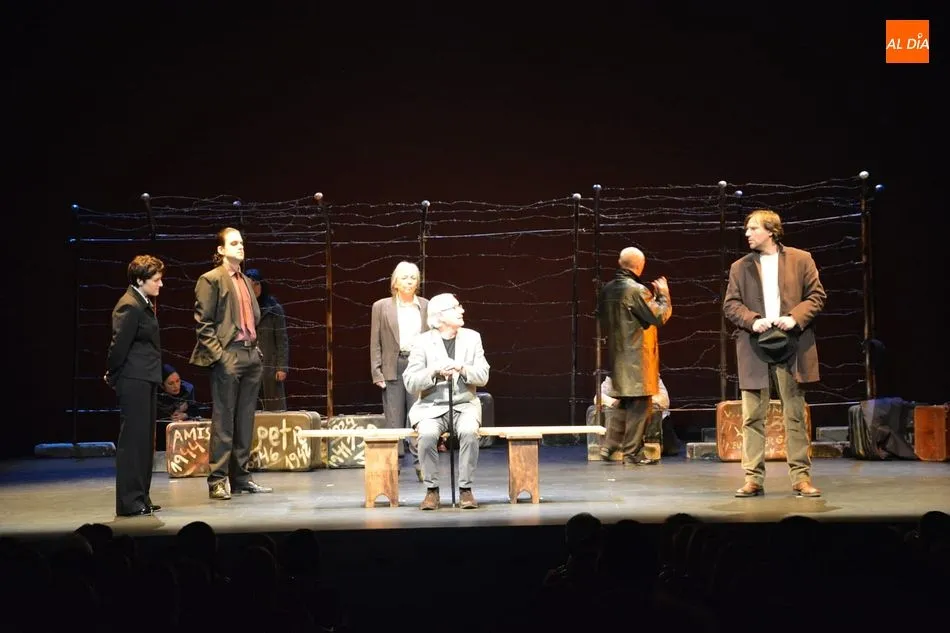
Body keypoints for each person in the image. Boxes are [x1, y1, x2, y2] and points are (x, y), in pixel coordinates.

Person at [723, 209, 826, 498]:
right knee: (752, 417)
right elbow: (730, 305)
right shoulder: (739, 267)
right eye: (747, 229)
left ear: (771, 231)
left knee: (794, 414)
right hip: (755, 347)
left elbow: (816, 296)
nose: (747, 233)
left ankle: (800, 477)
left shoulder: (801, 259)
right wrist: (752, 320)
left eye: (753, 228)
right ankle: (753, 478)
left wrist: (794, 318)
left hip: (791, 345)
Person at [190, 227, 271, 500]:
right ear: (221, 249)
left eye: (242, 243)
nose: (240, 247)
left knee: (245, 420)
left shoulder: (246, 280)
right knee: (224, 419)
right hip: (229, 355)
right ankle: (217, 479)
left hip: (250, 355)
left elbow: (251, 318)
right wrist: (220, 357)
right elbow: (203, 323)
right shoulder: (211, 279)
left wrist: (256, 351)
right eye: (234, 243)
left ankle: (241, 478)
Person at [403, 293, 490, 510]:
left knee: (469, 432)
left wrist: (462, 368)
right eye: (456, 307)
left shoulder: (472, 338)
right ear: (440, 316)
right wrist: (433, 371)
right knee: (427, 435)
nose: (462, 310)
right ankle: (431, 490)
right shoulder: (422, 342)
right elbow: (410, 382)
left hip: (464, 405)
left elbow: (483, 375)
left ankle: (465, 489)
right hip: (431, 406)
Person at [597, 247, 672, 465]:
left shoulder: (607, 289)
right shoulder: (636, 290)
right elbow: (659, 316)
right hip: (637, 358)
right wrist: (663, 295)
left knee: (625, 401)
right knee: (641, 405)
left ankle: (610, 445)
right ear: (640, 266)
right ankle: (632, 453)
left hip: (618, 354)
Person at [104, 254, 165, 516]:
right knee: (133, 442)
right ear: (140, 280)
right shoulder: (129, 305)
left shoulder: (143, 302)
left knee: (144, 442)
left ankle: (142, 496)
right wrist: (112, 373)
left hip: (146, 378)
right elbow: (119, 346)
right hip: (134, 379)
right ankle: (129, 501)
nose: (160, 284)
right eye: (156, 279)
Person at [370, 261, 429, 480]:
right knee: (394, 420)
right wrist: (376, 372)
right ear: (395, 282)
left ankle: (421, 466)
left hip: (417, 366)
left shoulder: (425, 306)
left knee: (419, 417)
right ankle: (392, 466)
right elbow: (375, 341)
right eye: (404, 277)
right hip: (393, 366)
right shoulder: (381, 306)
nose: (409, 281)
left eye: (413, 277)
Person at [597, 373, 681, 456]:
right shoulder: (614, 377)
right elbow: (598, 398)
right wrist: (616, 402)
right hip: (625, 419)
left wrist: (639, 401)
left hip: (654, 423)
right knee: (615, 411)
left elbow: (664, 401)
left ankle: (646, 446)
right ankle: (614, 445)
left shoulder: (651, 376)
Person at [245, 269, 290, 411]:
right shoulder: (242, 309)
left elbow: (282, 340)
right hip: (249, 365)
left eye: (257, 284)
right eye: (250, 285)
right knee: (250, 409)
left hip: (270, 366)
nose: (254, 288)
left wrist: (282, 367)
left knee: (274, 409)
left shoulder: (274, 309)